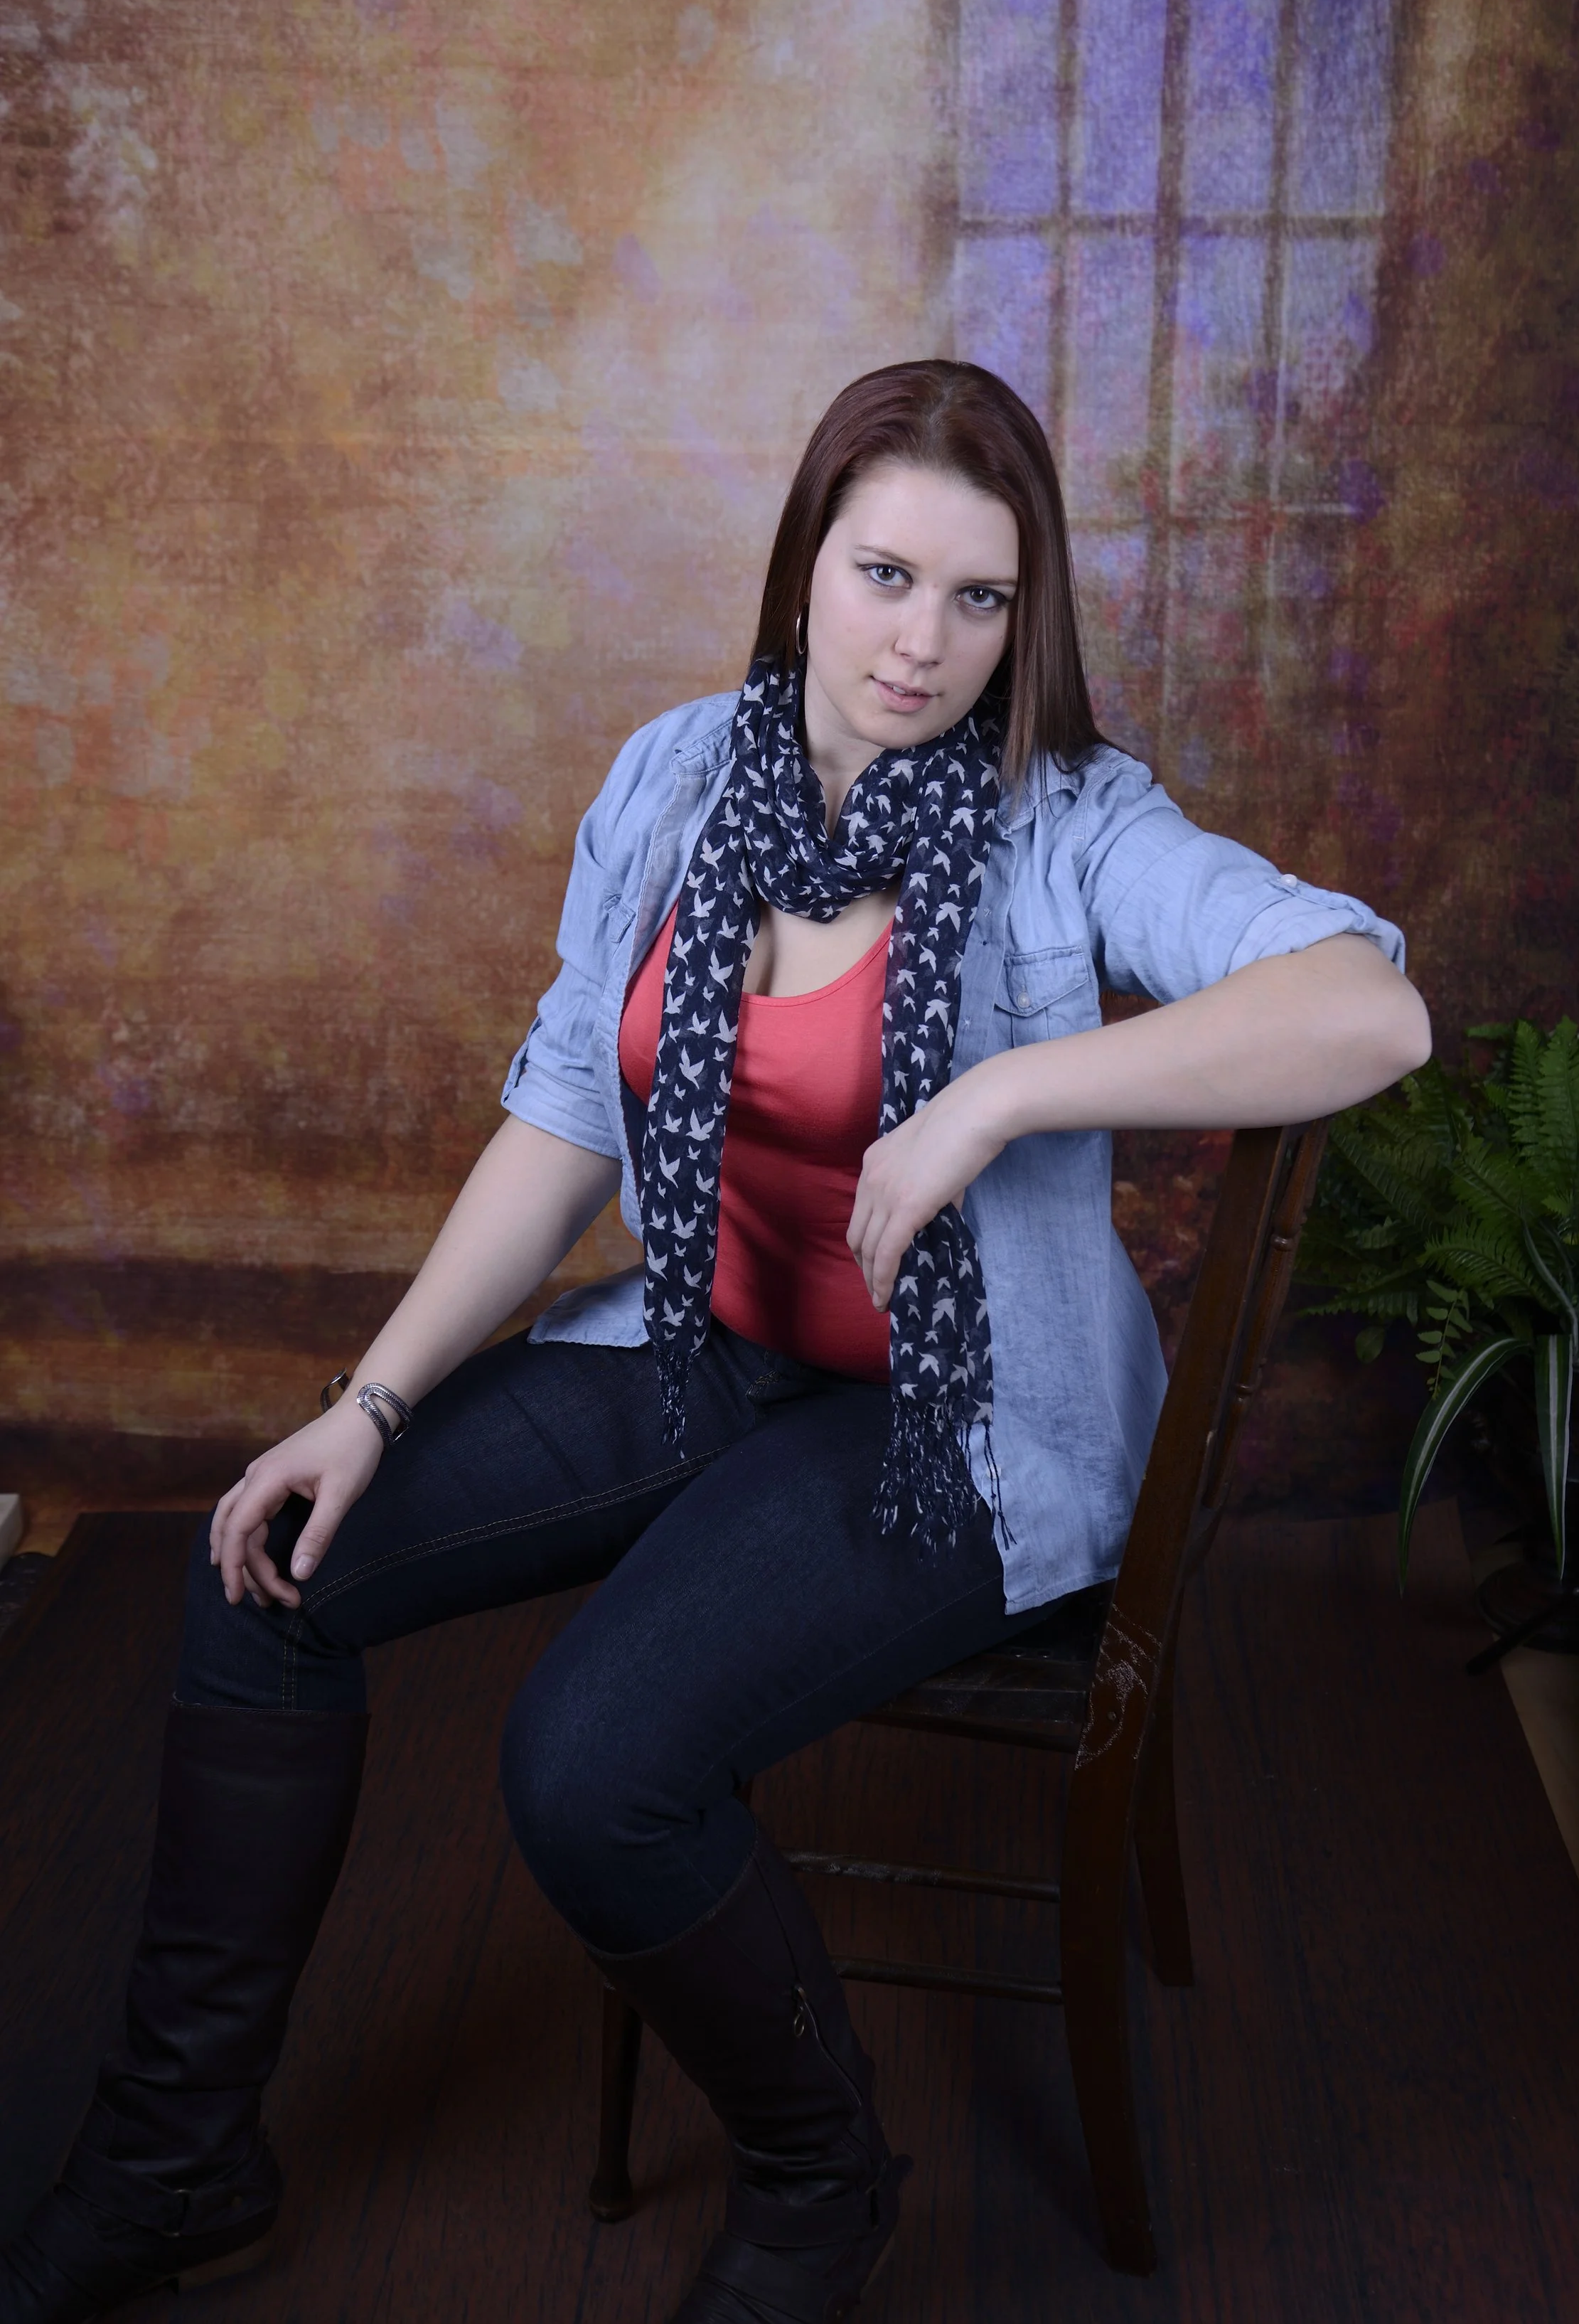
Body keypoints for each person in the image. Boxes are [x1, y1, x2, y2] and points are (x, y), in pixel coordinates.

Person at [0, 361, 1430, 2324]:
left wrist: (997, 1099)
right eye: (883, 574)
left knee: (589, 1764)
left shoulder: (1070, 826)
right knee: (261, 1570)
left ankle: (821, 2182)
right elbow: (564, 1119)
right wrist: (363, 1404)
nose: (920, 640)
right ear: (802, 573)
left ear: (1030, 624)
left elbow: (1369, 1013)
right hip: (697, 1350)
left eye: (978, 599)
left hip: (948, 1424)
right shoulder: (679, 777)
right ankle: (174, 2163)